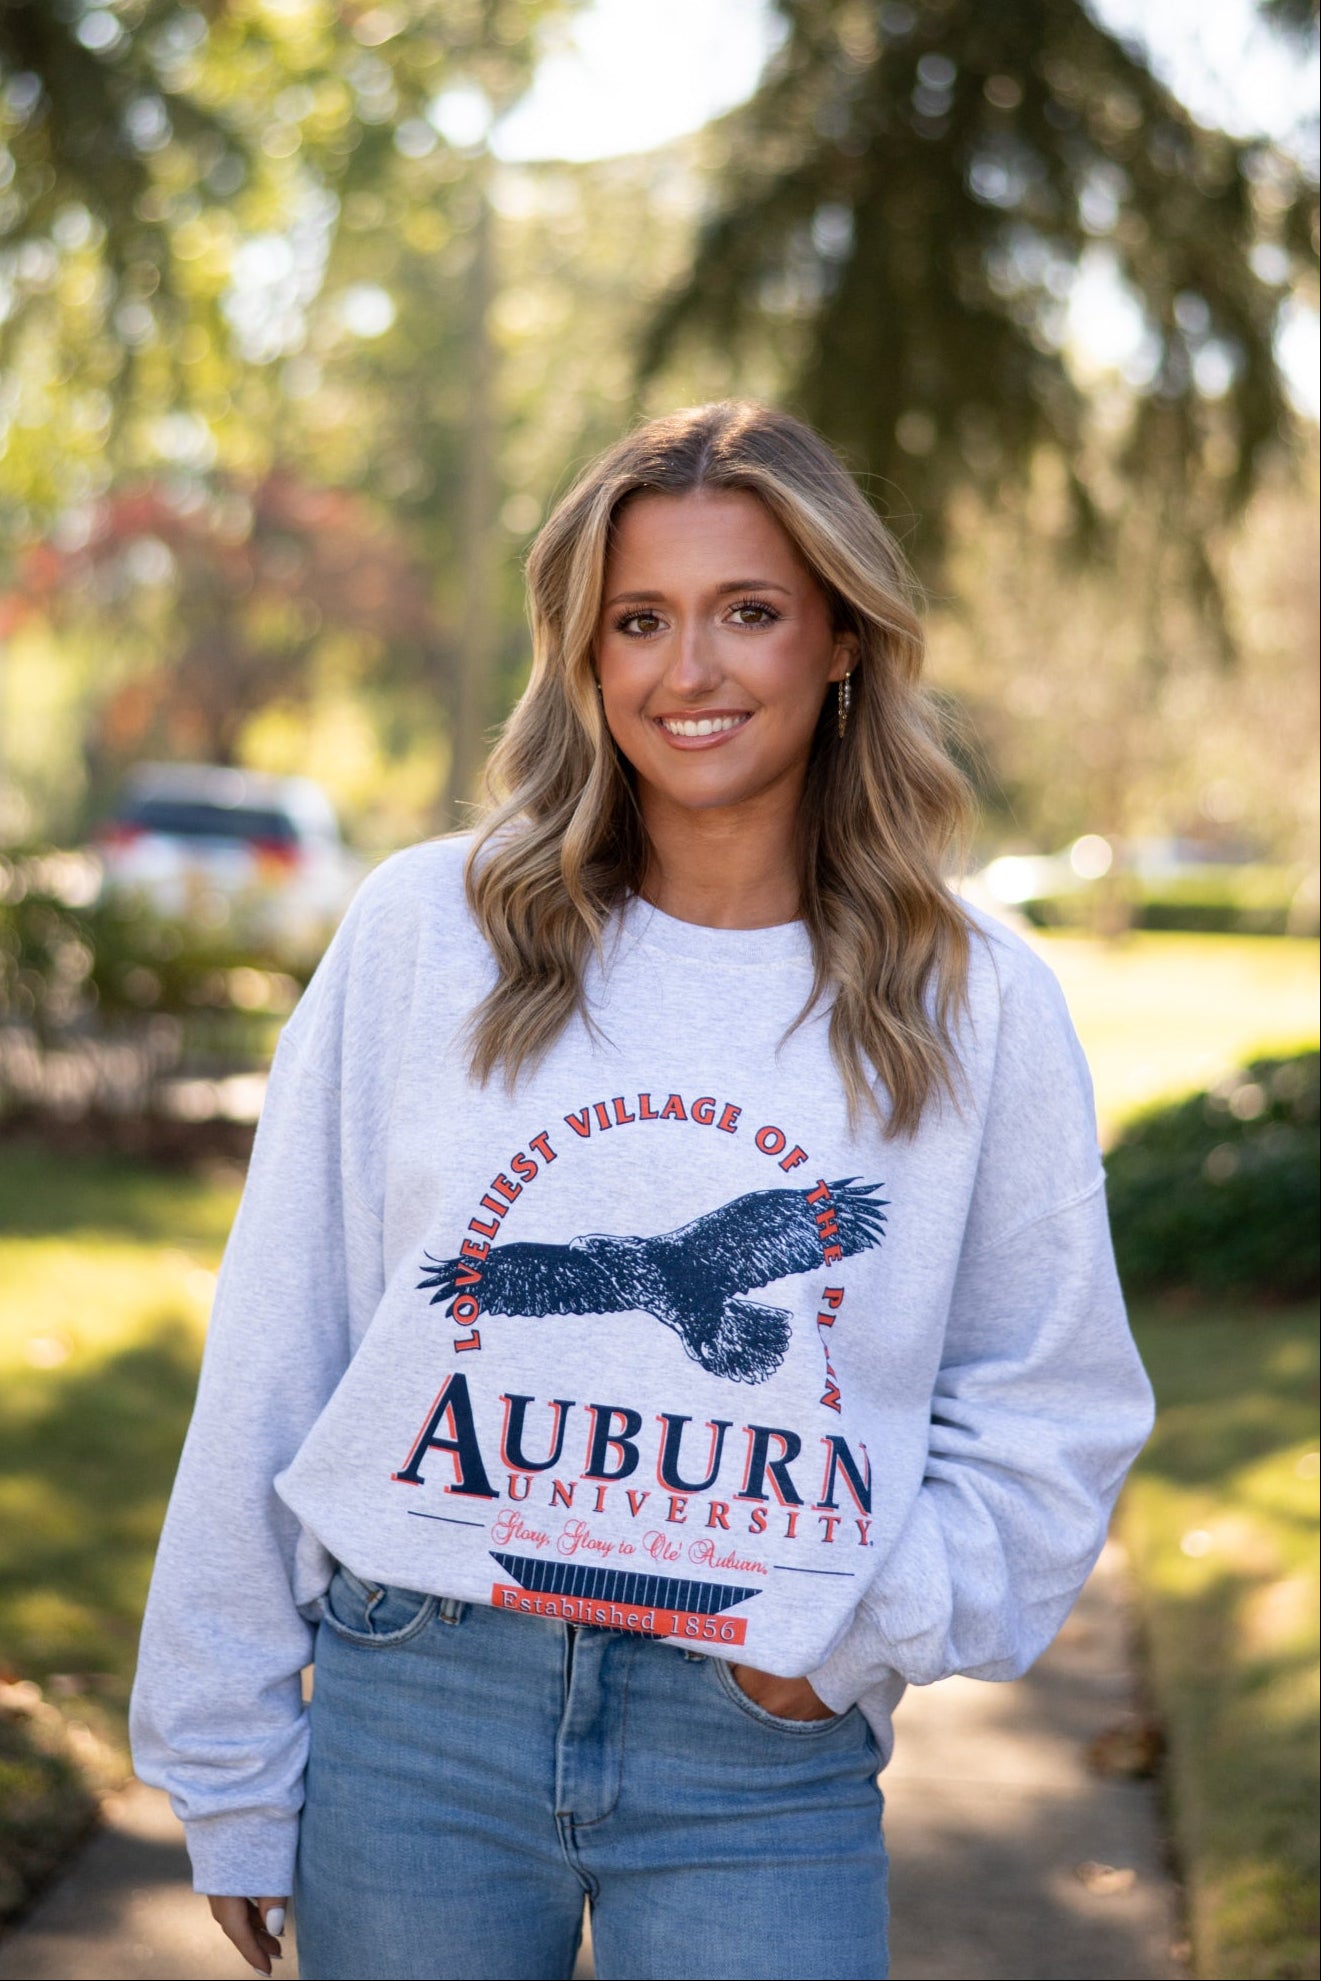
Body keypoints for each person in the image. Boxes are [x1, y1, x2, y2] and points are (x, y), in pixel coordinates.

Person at [130, 401, 1154, 1981]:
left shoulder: (971, 997)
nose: (690, 671)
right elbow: (280, 1341)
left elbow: (1053, 1398)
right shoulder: (427, 935)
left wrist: (846, 1641)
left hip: (757, 1743)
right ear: (585, 656)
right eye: (639, 621)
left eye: (747, 612)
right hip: (421, 1708)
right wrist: (228, 1761)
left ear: (838, 644)